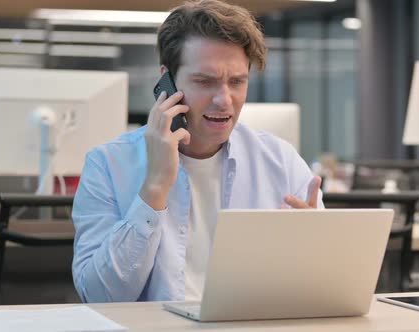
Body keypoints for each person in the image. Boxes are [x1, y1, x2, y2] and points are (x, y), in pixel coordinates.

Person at [72, 0, 323, 303]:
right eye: (205, 82)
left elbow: (316, 292)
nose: (224, 100)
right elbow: (100, 298)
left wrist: (313, 255)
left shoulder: (281, 161)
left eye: (237, 82)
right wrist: (155, 186)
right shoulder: (108, 164)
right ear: (167, 79)